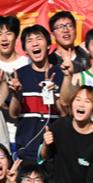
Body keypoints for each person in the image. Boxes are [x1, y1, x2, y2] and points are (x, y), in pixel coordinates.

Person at [8, 25, 67, 161]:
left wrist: (53, 95)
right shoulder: (19, 76)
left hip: (57, 153)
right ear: (25, 49)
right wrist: (16, 95)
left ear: (48, 45)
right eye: (29, 40)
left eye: (39, 38)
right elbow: (13, 114)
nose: (35, 43)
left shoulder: (62, 75)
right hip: (27, 152)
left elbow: (65, 113)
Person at [0, 14, 30, 150]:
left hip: (24, 135)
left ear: (17, 36)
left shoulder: (28, 63)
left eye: (8, 33)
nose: (4, 38)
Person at [48, 10, 89, 74]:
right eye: (60, 27)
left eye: (69, 25)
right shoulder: (49, 61)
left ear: (75, 30)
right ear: (53, 35)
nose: (66, 30)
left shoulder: (85, 50)